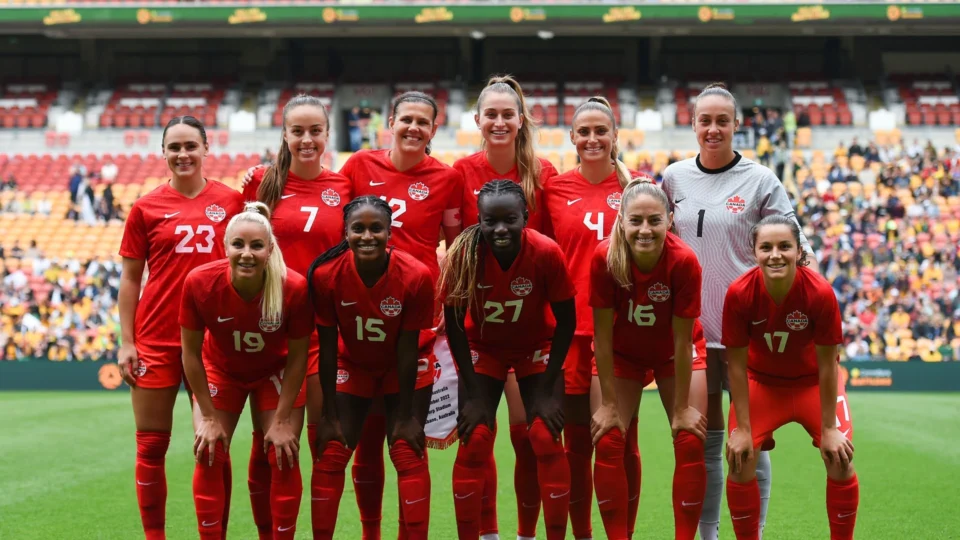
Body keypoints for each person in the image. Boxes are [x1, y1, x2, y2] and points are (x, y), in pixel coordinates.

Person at [661, 82, 814, 540]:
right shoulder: (673, 178)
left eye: (721, 121)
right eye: (704, 121)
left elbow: (796, 248)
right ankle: (708, 534)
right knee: (704, 443)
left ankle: (754, 531)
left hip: (749, 338)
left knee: (751, 440)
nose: (713, 129)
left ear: (737, 125)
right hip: (694, 337)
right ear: (692, 125)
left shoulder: (762, 179)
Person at [337, 90, 462, 539]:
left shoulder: (445, 178)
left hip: (418, 323)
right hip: (362, 321)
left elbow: (457, 247)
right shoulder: (357, 167)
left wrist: (447, 299)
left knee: (408, 443)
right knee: (366, 445)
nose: (413, 128)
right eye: (405, 119)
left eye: (422, 122)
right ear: (390, 121)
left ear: (433, 129)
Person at [117, 115, 244, 540]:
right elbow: (132, 279)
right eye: (175, 147)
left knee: (213, 447)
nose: (183, 154)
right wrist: (126, 341)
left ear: (207, 149)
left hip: (214, 341)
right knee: (151, 447)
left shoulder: (231, 202)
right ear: (164, 153)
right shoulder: (145, 207)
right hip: (155, 337)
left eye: (191, 145)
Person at [452, 75, 559, 539]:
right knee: (479, 432)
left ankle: (526, 533)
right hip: (478, 323)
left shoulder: (544, 172)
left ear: (521, 120)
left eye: (506, 114)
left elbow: (547, 248)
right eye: (490, 114)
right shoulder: (459, 172)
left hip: (531, 320)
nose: (498, 121)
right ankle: (489, 532)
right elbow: (453, 245)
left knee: (526, 435)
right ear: (477, 120)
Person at [242, 93, 353, 539]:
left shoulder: (345, 188)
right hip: (271, 331)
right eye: (297, 131)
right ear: (284, 135)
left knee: (323, 445)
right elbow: (241, 251)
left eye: (315, 131)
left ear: (327, 134)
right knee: (268, 443)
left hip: (327, 332)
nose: (306, 140)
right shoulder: (260, 183)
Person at [442, 180, 575, 540]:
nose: (500, 229)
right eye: (490, 221)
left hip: (535, 346)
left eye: (510, 219)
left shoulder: (546, 252)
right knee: (476, 437)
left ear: (526, 218)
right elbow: (454, 324)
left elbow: (567, 321)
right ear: (479, 220)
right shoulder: (463, 254)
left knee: (545, 437)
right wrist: (470, 391)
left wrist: (548, 388)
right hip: (483, 349)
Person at [540, 96, 648, 540]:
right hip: (568, 334)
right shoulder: (555, 190)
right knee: (577, 444)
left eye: (600, 131)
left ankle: (622, 533)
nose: (591, 139)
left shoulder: (637, 189)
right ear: (572, 137)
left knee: (621, 440)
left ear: (615, 136)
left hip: (622, 334)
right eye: (583, 132)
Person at [307, 196, 435, 540]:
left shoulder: (416, 275)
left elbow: (408, 348)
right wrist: (329, 414)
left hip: (403, 365)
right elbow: (328, 347)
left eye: (376, 228)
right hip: (354, 363)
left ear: (389, 232)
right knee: (332, 450)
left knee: (407, 450)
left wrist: (407, 415)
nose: (367, 236)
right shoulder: (325, 275)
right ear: (345, 233)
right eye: (358, 229)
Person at [180, 202, 311, 540]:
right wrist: (207, 416)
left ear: (270, 249)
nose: (247, 253)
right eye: (238, 244)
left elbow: (298, 357)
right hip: (221, 370)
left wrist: (282, 420)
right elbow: (191, 354)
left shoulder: (292, 288)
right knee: (208, 451)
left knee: (283, 453)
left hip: (274, 371)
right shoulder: (200, 283)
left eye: (256, 245)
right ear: (225, 248)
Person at [722, 215, 857, 540]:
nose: (775, 254)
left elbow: (828, 365)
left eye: (784, 246)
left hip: (813, 383)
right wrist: (742, 428)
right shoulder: (739, 293)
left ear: (799, 251)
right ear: (754, 252)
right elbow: (736, 366)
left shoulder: (820, 293)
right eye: (766, 247)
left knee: (839, 457)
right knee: (740, 460)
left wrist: (828, 429)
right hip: (762, 384)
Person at [589, 179, 708, 540]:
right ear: (621, 220)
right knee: (608, 437)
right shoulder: (604, 257)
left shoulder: (684, 260)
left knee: (689, 437)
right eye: (636, 220)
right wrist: (609, 404)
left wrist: (683, 408)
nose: (645, 230)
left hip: (674, 353)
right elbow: (603, 337)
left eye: (654, 220)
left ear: (669, 220)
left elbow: (683, 337)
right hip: (623, 354)